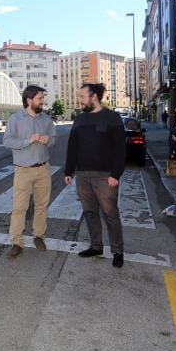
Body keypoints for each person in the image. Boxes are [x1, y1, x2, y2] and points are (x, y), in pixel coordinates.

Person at [64, 83, 126, 268]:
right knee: (90, 212)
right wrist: (68, 171)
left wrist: (116, 173)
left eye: (83, 97)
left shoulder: (112, 117)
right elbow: (72, 147)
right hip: (83, 175)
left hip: (105, 176)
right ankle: (96, 246)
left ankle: (117, 251)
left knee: (110, 213)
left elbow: (120, 149)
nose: (80, 100)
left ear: (94, 97)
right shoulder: (79, 119)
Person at [3, 85, 56, 258]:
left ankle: (39, 236)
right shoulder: (15, 119)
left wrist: (48, 140)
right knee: (19, 208)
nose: (43, 101)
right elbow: (8, 141)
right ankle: (17, 242)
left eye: (42, 98)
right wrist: (28, 141)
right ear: (29, 100)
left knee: (42, 205)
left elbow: (53, 140)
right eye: (40, 98)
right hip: (23, 170)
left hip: (43, 169)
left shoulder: (46, 120)